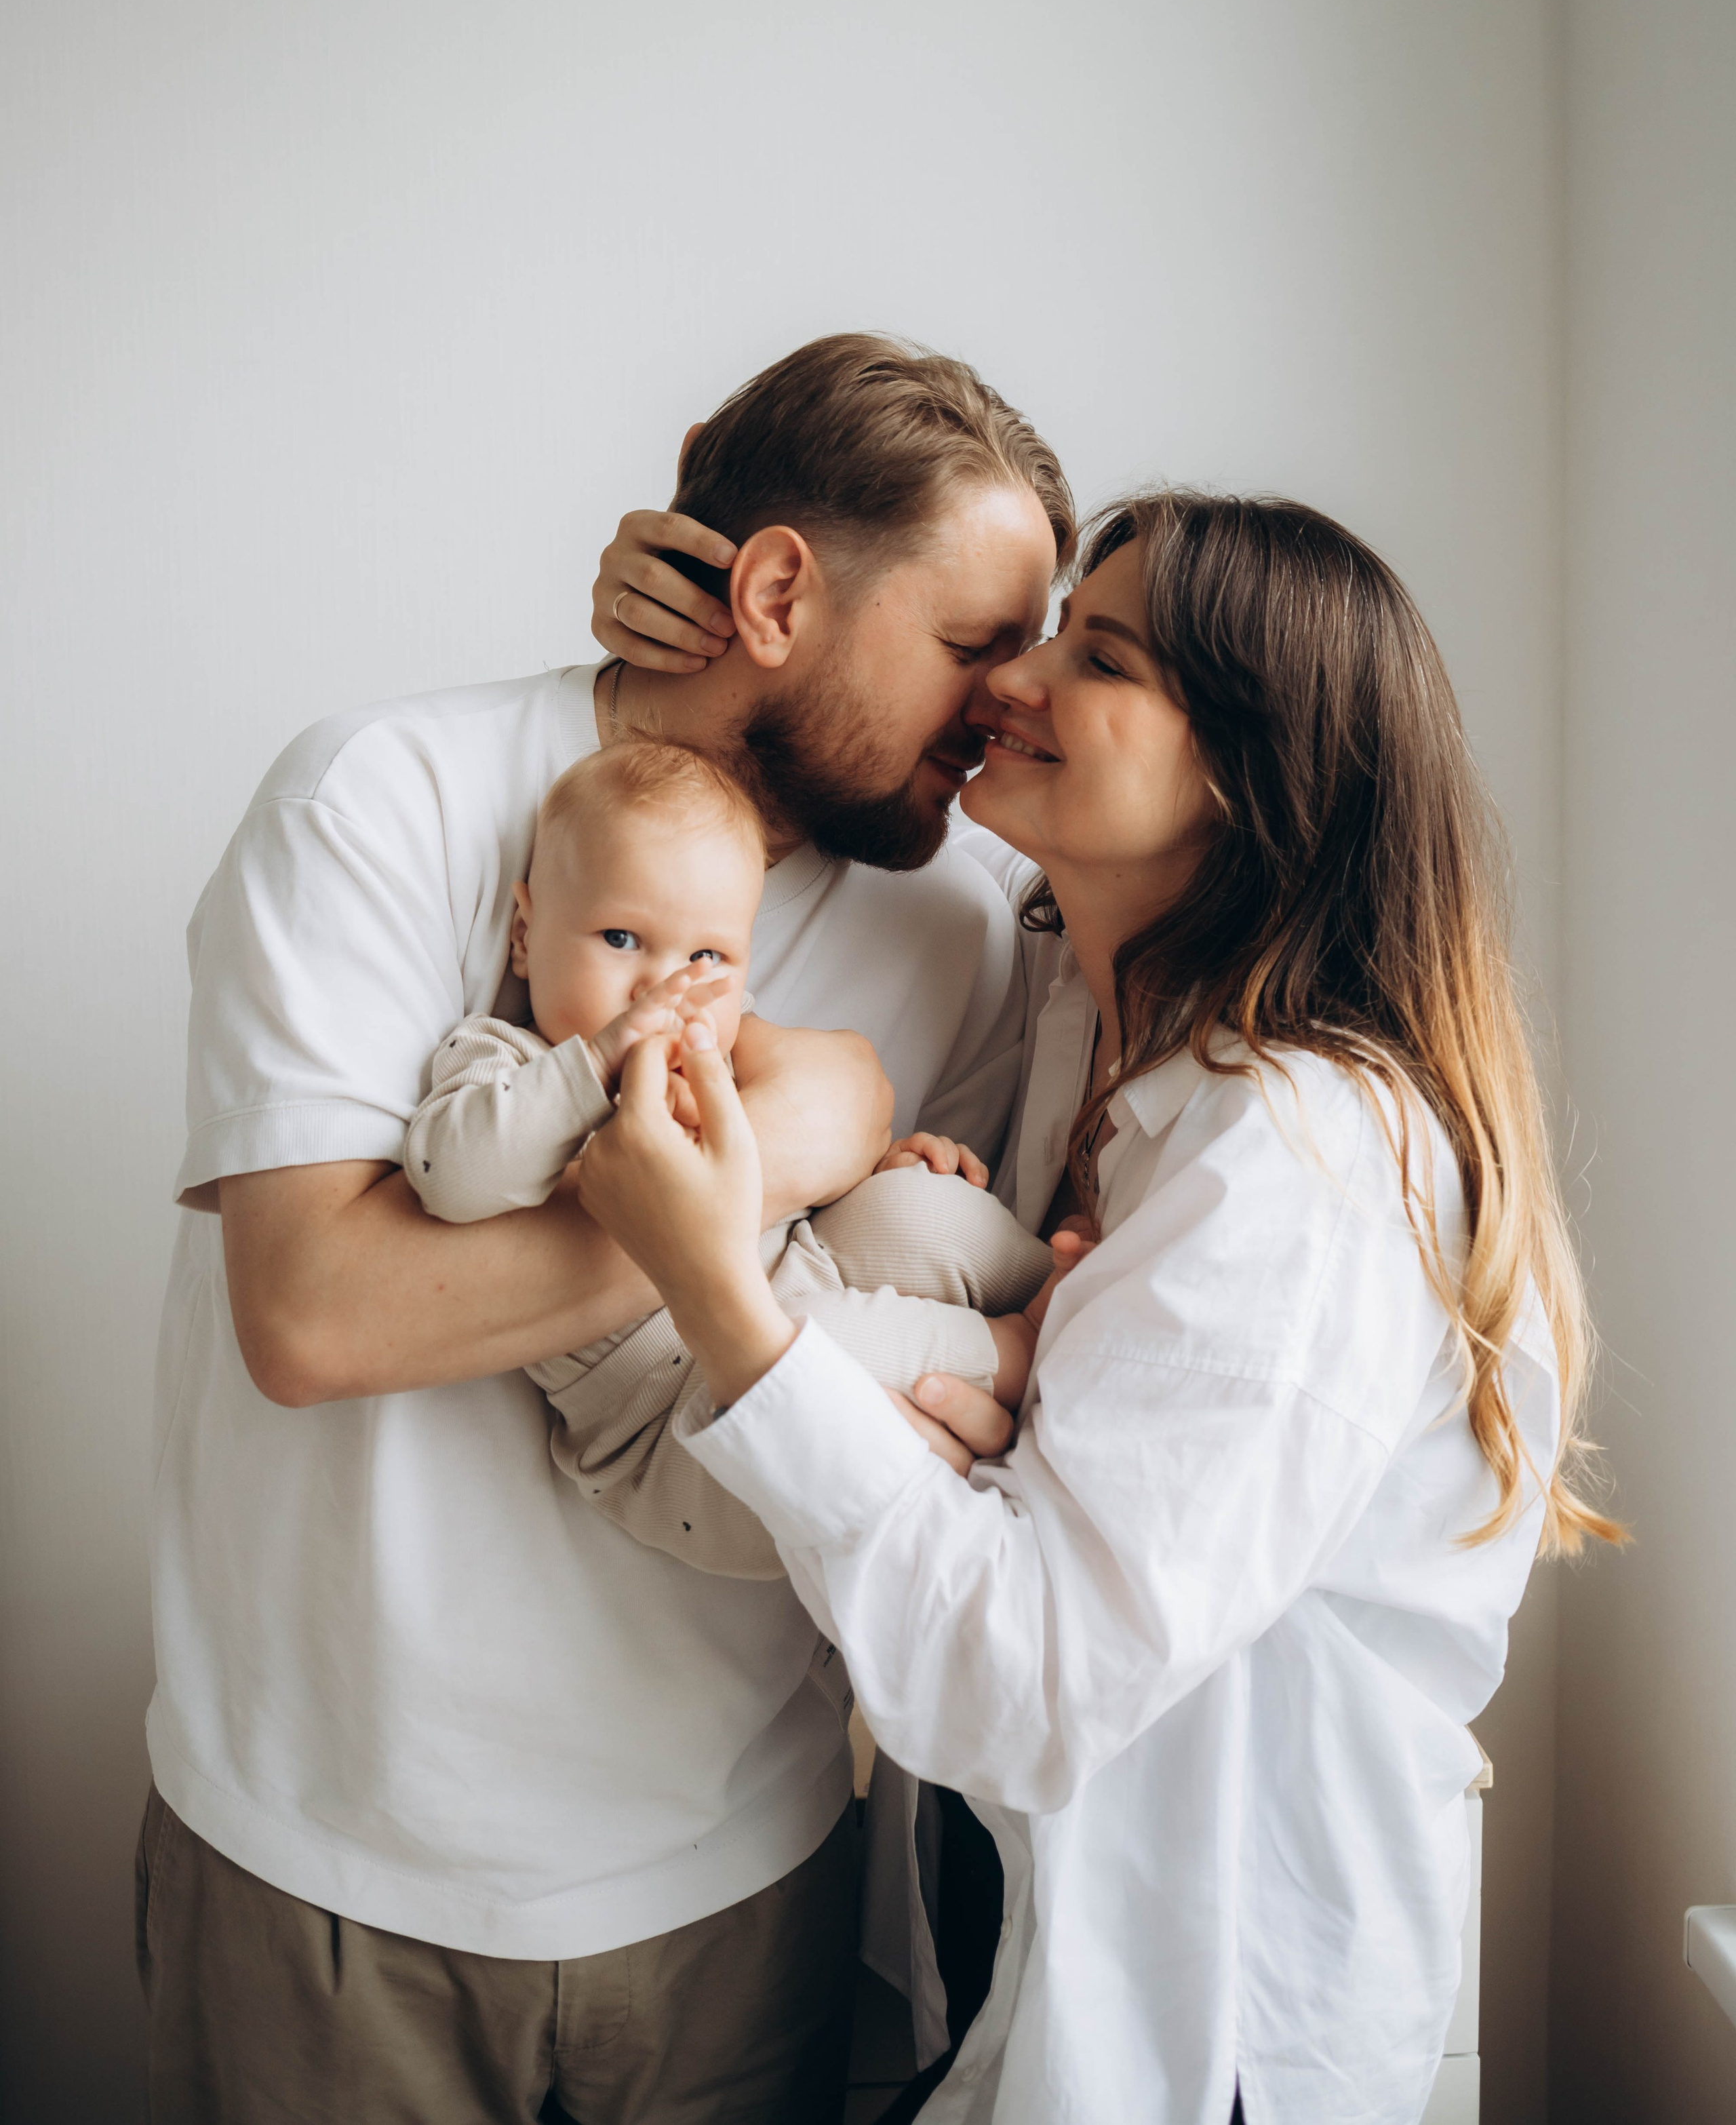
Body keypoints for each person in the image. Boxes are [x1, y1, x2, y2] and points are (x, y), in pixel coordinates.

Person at [576, 488, 1623, 2125]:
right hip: (1001, 1930)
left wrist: (720, 1296)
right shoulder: (1075, 1004)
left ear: (1249, 768)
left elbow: (1025, 1679)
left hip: (1201, 2021)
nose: (1012, 678)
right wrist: (681, 647)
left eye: (1100, 657)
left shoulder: (1298, 1161)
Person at [137, 333, 1069, 2124]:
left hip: (749, 1872)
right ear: (777, 594)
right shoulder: (385, 797)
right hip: (332, 1879)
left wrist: (843, 1161)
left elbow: (903, 1389)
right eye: (972, 641)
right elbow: (313, 1315)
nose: (1006, 698)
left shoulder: (962, 929)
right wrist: (778, 1151)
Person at [406, 733, 1052, 1576]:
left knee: (918, 1210)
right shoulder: (508, 1060)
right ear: (526, 935)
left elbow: (810, 1170)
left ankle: (1058, 1285)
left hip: (798, 1274)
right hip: (676, 1428)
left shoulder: (735, 1048)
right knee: (818, 1348)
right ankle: (1022, 1349)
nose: (660, 989)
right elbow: (451, 1179)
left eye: (705, 957)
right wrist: (591, 1068)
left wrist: (884, 1171)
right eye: (620, 938)